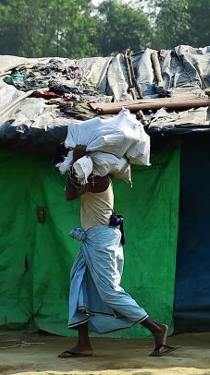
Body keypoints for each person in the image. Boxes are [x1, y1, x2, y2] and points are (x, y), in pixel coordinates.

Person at [59, 144, 178, 358]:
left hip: (101, 241)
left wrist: (77, 159)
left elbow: (70, 194)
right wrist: (77, 162)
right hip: (93, 240)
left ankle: (156, 328)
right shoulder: (92, 175)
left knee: (110, 291)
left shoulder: (98, 179)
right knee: (79, 282)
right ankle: (83, 344)